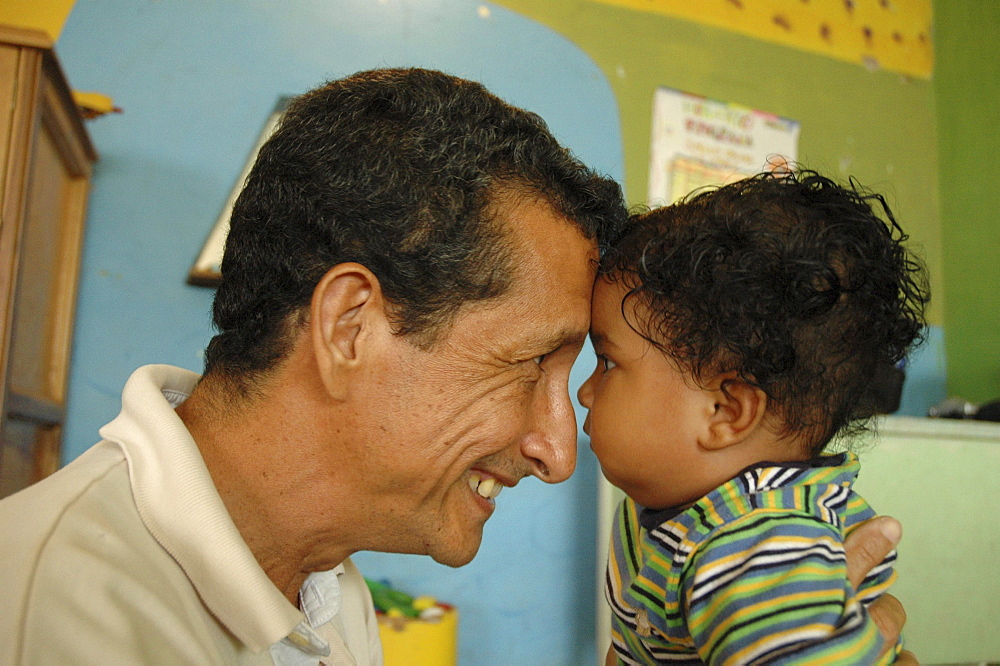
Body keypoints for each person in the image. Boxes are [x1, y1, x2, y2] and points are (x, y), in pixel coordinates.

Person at [0, 69, 908, 664]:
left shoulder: (328, 593)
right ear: (351, 325)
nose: (560, 449)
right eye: (529, 367)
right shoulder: (58, 615)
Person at [578, 169, 929, 665]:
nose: (586, 392)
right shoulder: (670, 511)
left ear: (726, 411)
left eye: (608, 362)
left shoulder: (758, 543)